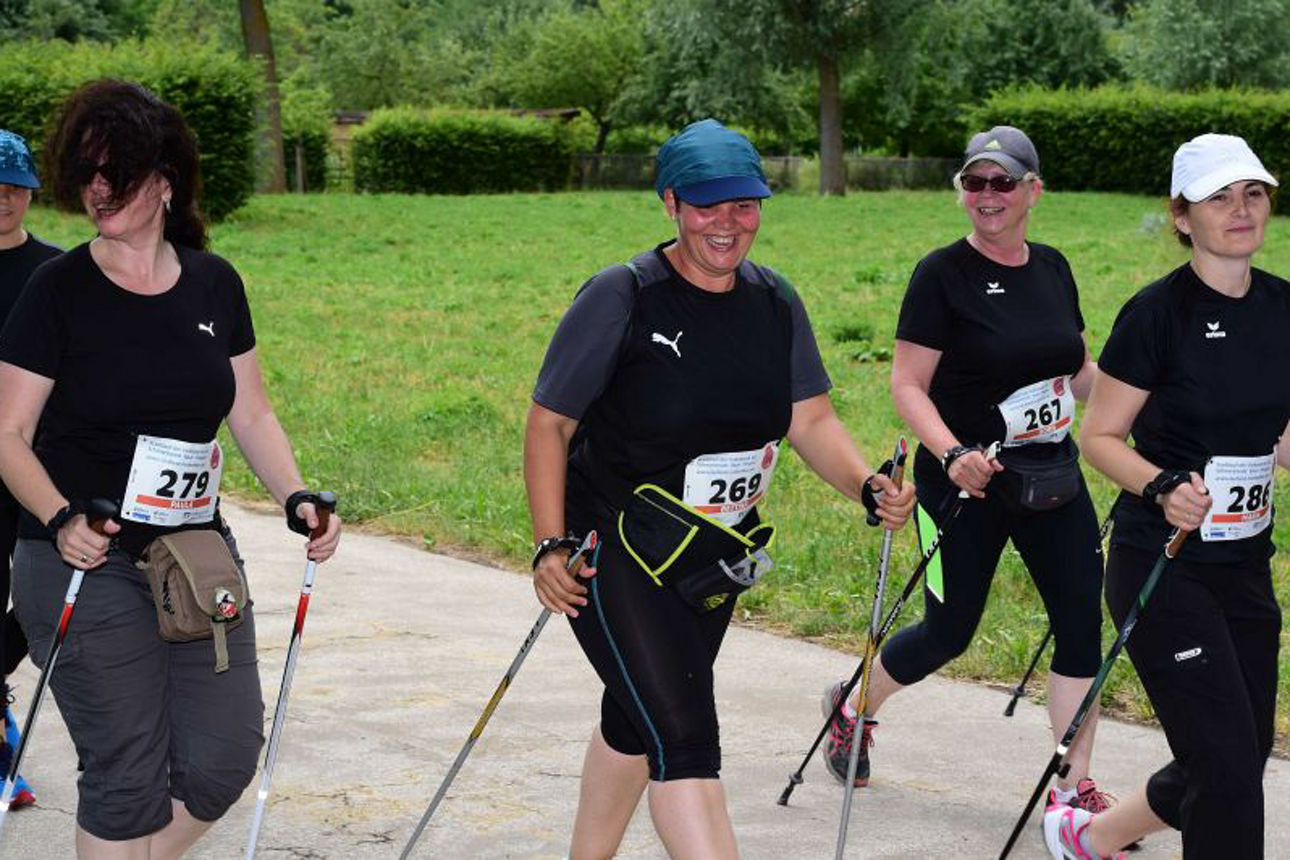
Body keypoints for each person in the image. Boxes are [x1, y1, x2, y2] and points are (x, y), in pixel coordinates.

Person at [524, 118, 915, 859]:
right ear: (671, 203)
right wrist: (551, 544)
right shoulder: (624, 296)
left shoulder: (773, 302)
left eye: (744, 205)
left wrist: (866, 484)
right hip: (614, 551)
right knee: (684, 738)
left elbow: (809, 417)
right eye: (708, 206)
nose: (727, 225)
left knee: (635, 719)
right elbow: (550, 425)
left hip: (711, 556)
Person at [0, 80, 341, 857]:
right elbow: (7, 434)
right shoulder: (58, 291)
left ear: (162, 181)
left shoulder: (215, 283)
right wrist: (59, 517)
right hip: (81, 555)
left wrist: (295, 498)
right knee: (126, 771)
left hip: (190, 554)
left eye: (113, 172)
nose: (96, 189)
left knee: (221, 759)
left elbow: (250, 412)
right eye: (85, 172)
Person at [821, 126, 1113, 810]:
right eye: (975, 183)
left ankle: (1071, 788)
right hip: (960, 488)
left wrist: (1140, 402)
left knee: (1080, 627)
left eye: (1003, 182)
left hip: (1051, 478)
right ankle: (852, 705)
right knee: (949, 633)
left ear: (1033, 191)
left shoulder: (1054, 268)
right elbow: (907, 384)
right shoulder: (941, 274)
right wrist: (951, 454)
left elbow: (1076, 372)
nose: (987, 195)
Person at [1057, 134, 1288, 859]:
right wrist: (1160, 486)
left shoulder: (1284, 306)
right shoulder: (1157, 314)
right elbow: (1100, 438)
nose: (1241, 209)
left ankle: (1091, 837)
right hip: (1161, 566)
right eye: (1219, 196)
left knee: (1234, 757)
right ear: (1183, 217)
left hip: (1245, 565)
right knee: (1224, 771)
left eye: (1252, 193)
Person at [0, 128, 59, 808]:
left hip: (42, 464)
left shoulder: (56, 274)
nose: (5, 198)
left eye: (15, 185)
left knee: (40, 599)